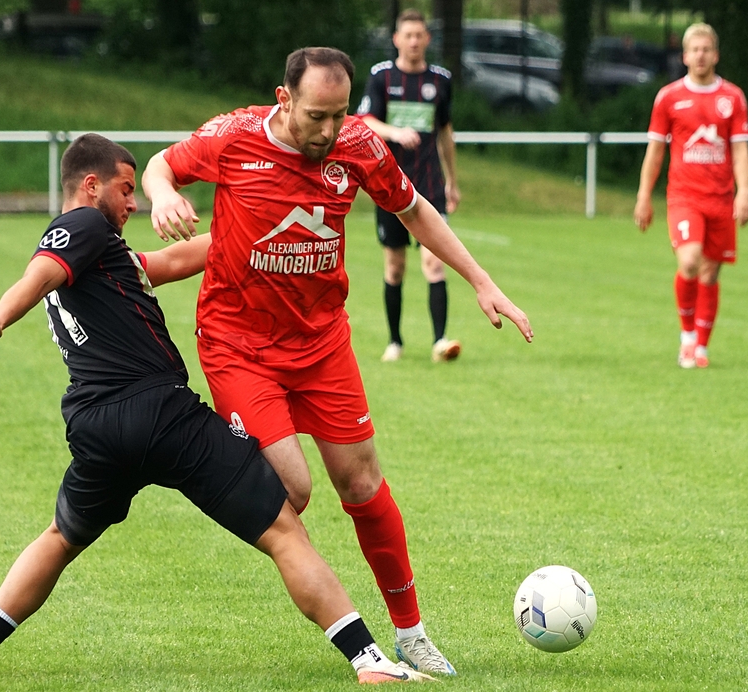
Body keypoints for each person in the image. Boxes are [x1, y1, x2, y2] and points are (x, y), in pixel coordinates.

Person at [0, 134, 432, 685]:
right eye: (124, 189)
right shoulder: (83, 226)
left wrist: (254, 228)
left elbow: (173, 259)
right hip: (161, 414)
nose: (132, 203)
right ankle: (368, 659)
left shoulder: (100, 258)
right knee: (284, 530)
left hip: (97, 429)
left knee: (60, 537)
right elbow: (39, 272)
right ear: (90, 186)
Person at [142, 47, 533, 676]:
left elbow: (414, 209)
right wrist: (162, 195)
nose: (329, 130)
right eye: (316, 115)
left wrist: (481, 281)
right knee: (292, 491)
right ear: (284, 99)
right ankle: (210, 456)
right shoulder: (235, 136)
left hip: (322, 343)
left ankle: (411, 633)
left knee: (362, 484)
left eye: (340, 114)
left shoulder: (358, 145)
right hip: (239, 345)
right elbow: (161, 164)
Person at [633, 23, 748, 369]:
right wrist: (643, 196)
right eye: (694, 50)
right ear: (685, 56)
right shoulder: (668, 97)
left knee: (710, 272)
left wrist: (744, 192)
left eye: (706, 49)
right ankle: (687, 337)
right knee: (689, 261)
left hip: (721, 198)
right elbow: (655, 152)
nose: (700, 55)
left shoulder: (733, 97)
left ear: (716, 55)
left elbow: (740, 151)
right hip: (684, 196)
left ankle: (702, 346)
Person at [356, 9, 462, 363]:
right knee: (395, 266)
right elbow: (364, 121)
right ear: (397, 39)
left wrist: (452, 182)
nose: (414, 41)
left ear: (427, 39)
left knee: (435, 262)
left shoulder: (440, 80)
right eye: (408, 35)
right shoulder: (381, 77)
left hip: (430, 187)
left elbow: (445, 133)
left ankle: (440, 341)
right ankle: (395, 341)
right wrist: (395, 132)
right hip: (390, 186)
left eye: (420, 35)